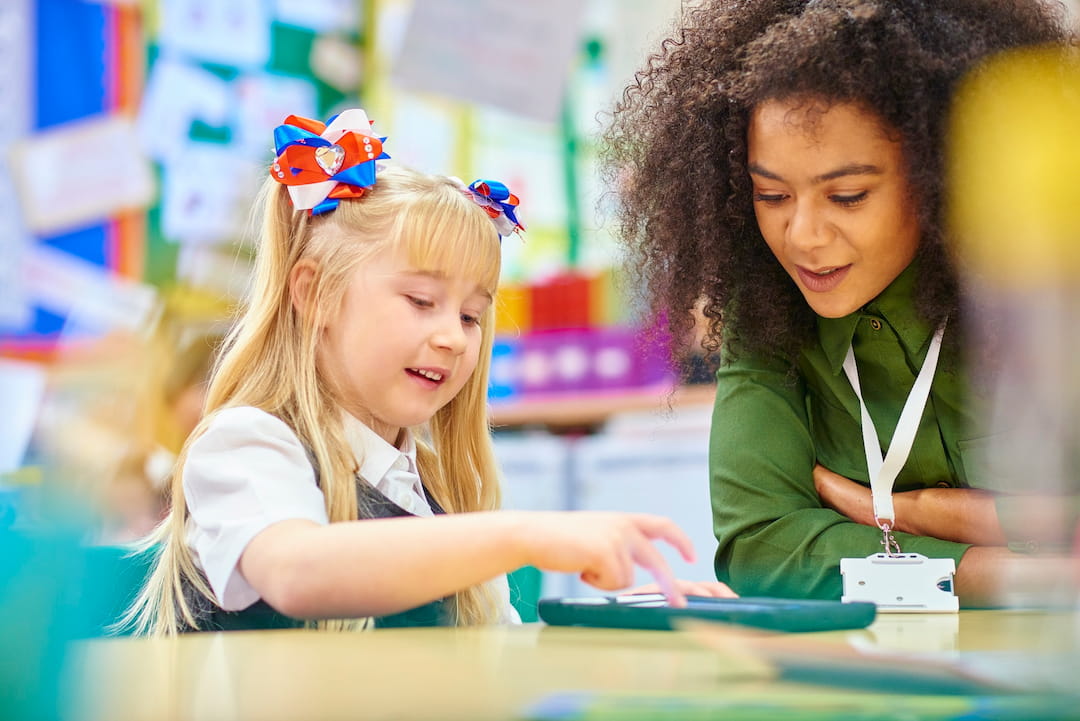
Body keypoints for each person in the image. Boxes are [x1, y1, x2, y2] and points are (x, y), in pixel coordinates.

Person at [123, 109, 730, 636]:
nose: (451, 336)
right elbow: (296, 570)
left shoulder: (426, 489)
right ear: (315, 293)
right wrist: (522, 535)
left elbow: (494, 648)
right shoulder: (246, 445)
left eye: (471, 316)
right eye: (420, 301)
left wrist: (635, 619)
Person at [602, 0, 1077, 606]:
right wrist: (1015, 567)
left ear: (941, 173)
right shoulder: (767, 310)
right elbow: (760, 552)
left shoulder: (1042, 290)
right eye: (771, 194)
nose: (802, 235)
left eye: (847, 196)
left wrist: (918, 513)